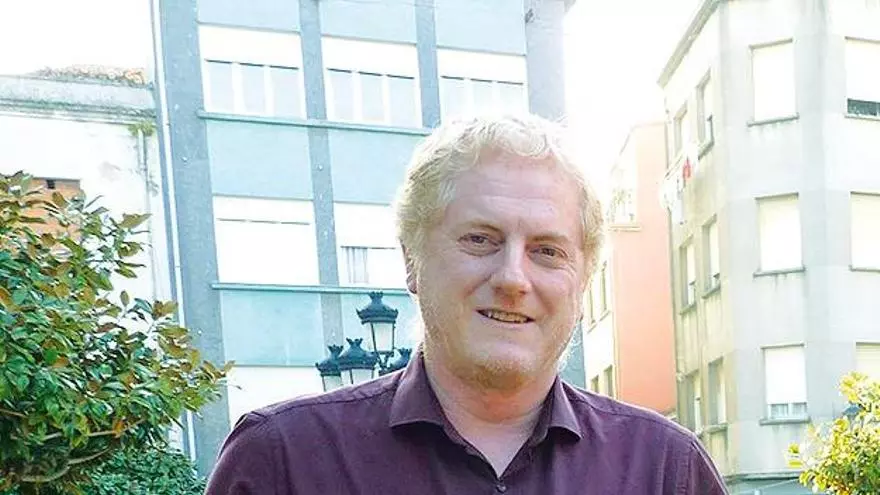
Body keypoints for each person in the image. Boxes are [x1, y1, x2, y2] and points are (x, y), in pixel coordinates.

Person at [205, 115, 728, 494]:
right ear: (412, 259)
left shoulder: (666, 471)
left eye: (547, 251)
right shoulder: (282, 462)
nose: (513, 278)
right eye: (480, 240)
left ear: (583, 281)